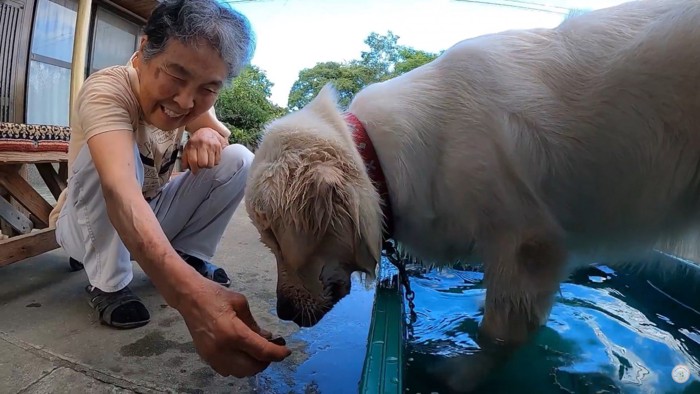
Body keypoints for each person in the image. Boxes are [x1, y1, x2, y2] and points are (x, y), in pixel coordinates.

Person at [48, 0, 291, 377]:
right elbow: (118, 190)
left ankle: (188, 254)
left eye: (208, 88)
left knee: (238, 158)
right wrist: (190, 299)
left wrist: (208, 132)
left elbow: (216, 130)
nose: (185, 101)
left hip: (150, 212)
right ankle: (107, 283)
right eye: (176, 76)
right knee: (114, 155)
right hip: (84, 227)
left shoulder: (192, 100)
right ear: (144, 49)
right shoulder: (107, 90)